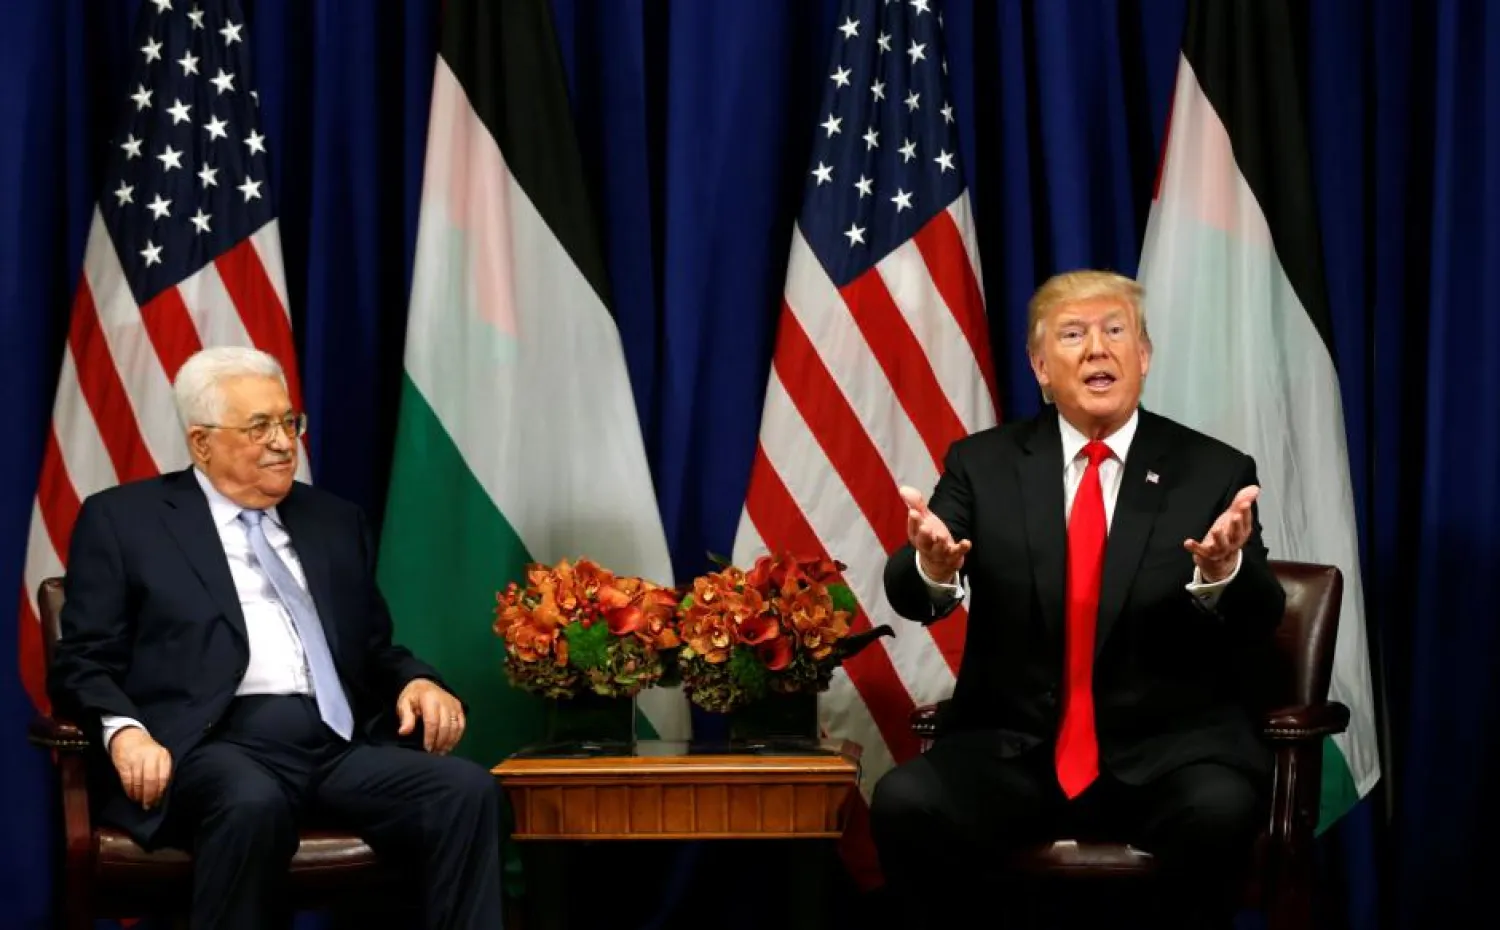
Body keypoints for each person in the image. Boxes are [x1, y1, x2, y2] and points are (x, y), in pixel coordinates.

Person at [871, 270, 1286, 929]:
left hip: (1169, 755)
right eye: (1073, 335)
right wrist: (931, 565)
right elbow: (912, 594)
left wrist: (1225, 570)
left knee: (1220, 812)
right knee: (903, 804)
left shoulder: (1213, 470)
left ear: (1143, 357)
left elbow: (1261, 615)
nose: (1098, 349)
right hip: (1014, 754)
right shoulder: (982, 465)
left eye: (1115, 330)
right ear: (1041, 366)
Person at [49, 347, 504, 930]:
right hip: (211, 746)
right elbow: (83, 660)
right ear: (202, 442)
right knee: (251, 803)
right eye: (259, 426)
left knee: (466, 792)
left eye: (289, 422)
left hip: (333, 743)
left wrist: (417, 680)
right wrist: (125, 731)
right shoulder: (125, 521)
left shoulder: (333, 520)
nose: (284, 441)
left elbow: (371, 648)